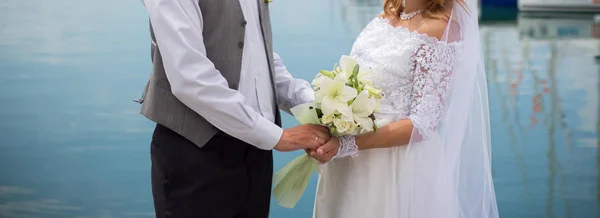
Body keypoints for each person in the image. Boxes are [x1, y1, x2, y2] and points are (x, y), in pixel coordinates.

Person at [136, 0, 331, 217]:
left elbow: (256, 55)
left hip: (256, 155)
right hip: (197, 154)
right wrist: (278, 137)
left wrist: (323, 109)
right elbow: (189, 76)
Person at [308, 0, 500, 217]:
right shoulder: (386, 15)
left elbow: (423, 124)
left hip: (394, 165)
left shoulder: (442, 30)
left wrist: (347, 144)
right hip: (348, 160)